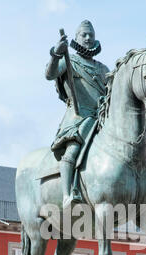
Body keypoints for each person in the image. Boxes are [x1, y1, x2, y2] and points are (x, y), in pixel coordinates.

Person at [45, 20, 109, 209]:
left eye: (91, 34)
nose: (88, 38)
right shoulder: (69, 60)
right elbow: (50, 74)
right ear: (76, 38)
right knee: (73, 149)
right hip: (78, 117)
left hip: (102, 119)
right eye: (84, 35)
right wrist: (57, 53)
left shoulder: (103, 69)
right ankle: (67, 194)